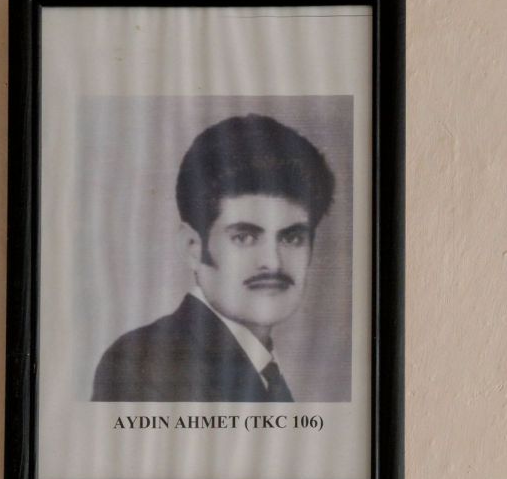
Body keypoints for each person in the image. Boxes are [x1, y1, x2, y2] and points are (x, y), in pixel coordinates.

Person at [91, 113, 335, 402]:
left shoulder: (261, 367)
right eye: (244, 237)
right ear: (193, 247)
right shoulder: (143, 364)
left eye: (291, 238)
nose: (273, 262)